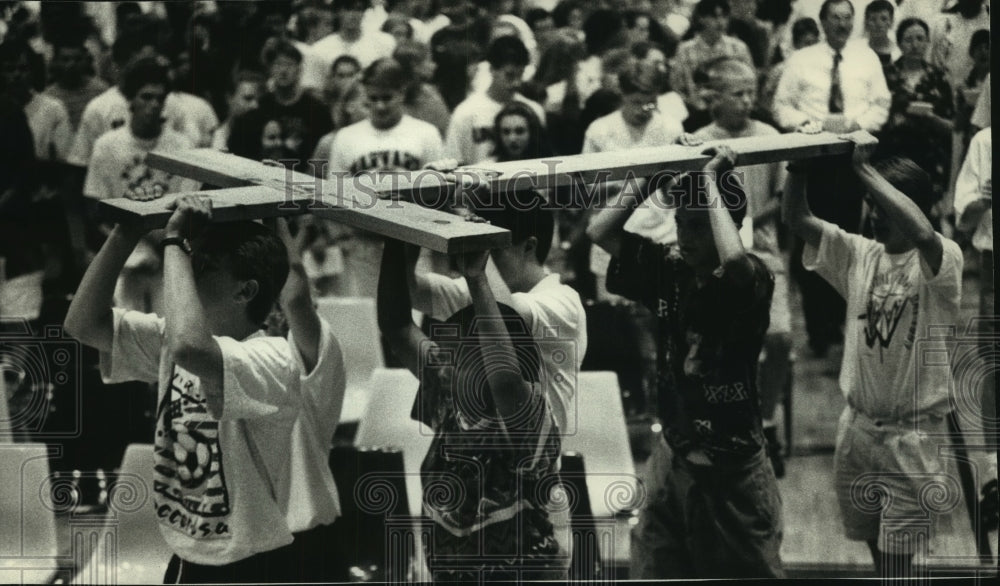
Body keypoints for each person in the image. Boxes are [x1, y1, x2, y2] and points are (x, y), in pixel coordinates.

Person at [62, 195, 324, 583]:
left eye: (205, 266)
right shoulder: (174, 339)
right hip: (188, 555)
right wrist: (125, 233)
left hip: (250, 565)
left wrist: (175, 244)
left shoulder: (273, 358)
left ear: (245, 291)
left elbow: (191, 347)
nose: (191, 273)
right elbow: (82, 325)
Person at [587, 146, 782, 578]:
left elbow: (732, 258)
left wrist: (710, 181)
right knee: (656, 566)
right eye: (680, 224)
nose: (685, 237)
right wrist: (648, 177)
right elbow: (600, 231)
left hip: (733, 466)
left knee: (748, 570)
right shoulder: (670, 269)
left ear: (725, 224)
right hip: (674, 452)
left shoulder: (752, 277)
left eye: (697, 226)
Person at [783, 132, 963, 577]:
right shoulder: (859, 254)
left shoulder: (943, 259)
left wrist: (863, 168)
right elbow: (797, 218)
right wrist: (798, 166)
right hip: (859, 429)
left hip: (913, 437)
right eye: (871, 204)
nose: (873, 216)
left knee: (896, 567)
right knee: (878, 554)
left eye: (883, 206)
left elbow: (922, 231)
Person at [376, 223, 566, 581]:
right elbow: (396, 324)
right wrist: (397, 228)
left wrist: (478, 278)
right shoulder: (449, 384)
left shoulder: (529, 416)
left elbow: (506, 379)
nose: (446, 349)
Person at [691, 57, 792, 477]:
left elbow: (783, 198)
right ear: (714, 98)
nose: (749, 101)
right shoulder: (697, 141)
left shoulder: (769, 136)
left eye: (752, 92)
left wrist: (750, 224)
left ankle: (767, 421)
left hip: (763, 255)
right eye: (738, 94)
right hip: (712, 263)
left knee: (781, 338)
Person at [772, 0, 890, 357]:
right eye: (834, 18)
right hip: (813, 158)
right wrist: (809, 126)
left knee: (850, 239)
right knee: (813, 240)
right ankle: (817, 327)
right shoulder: (801, 60)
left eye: (847, 19)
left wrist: (858, 124)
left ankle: (842, 321)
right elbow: (781, 105)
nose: (841, 24)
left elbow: (881, 104)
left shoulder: (866, 58)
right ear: (822, 22)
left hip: (852, 157)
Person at [881, 18, 954, 219]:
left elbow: (952, 125)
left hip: (931, 158)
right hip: (893, 157)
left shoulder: (939, 77)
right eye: (908, 39)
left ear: (928, 41)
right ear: (899, 42)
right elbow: (876, 117)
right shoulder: (886, 75)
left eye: (920, 39)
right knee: (895, 216)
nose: (915, 45)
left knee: (927, 218)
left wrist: (933, 119)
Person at [227, 39, 333, 170]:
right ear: (270, 69)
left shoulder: (317, 110)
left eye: (289, 65)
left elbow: (325, 156)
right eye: (278, 64)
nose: (283, 70)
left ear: (299, 69)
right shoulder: (258, 107)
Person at [444, 35, 545, 165]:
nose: (516, 83)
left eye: (520, 75)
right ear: (492, 69)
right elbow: (454, 160)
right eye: (510, 75)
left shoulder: (533, 111)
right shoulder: (465, 113)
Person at [669, 0, 753, 131]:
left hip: (733, 111)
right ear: (701, 18)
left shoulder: (738, 47)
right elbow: (677, 86)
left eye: (724, 16)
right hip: (697, 113)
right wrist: (694, 103)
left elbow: (751, 81)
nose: (720, 22)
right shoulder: (686, 49)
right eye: (714, 16)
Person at [304, 0, 396, 92]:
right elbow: (313, 89)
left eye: (358, 9)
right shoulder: (319, 49)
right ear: (338, 12)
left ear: (364, 12)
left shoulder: (384, 42)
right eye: (347, 9)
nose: (353, 15)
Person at [42, 36, 108, 133]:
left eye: (77, 59)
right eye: (65, 59)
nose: (72, 64)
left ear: (85, 61)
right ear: (56, 62)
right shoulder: (48, 97)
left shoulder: (101, 90)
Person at [392, 40, 450, 138]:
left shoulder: (431, 92)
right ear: (414, 66)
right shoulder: (430, 96)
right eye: (429, 60)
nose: (434, 66)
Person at [211, 70, 264, 151]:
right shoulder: (214, 140)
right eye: (248, 98)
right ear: (229, 98)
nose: (256, 105)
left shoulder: (266, 140)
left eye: (258, 100)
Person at [857, 0, 898, 69]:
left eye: (884, 19)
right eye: (873, 19)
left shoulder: (898, 52)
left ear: (891, 22)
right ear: (866, 23)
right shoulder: (859, 51)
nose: (878, 24)